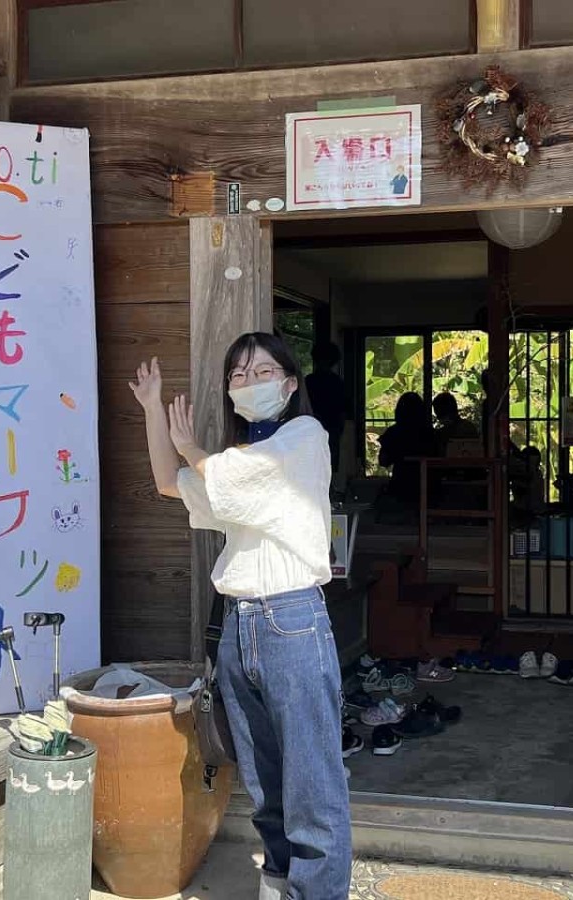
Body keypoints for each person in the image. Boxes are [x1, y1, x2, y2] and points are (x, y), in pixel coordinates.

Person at [129, 333, 351, 900]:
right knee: (264, 779)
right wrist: (153, 409)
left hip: (292, 618)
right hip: (240, 624)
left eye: (263, 372)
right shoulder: (230, 465)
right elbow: (167, 483)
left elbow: (222, 474)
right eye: (238, 376)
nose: (250, 384)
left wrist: (192, 448)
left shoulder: (304, 438)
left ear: (291, 382)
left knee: (312, 784)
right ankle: (280, 881)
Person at [377, 391, 432, 504]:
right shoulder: (430, 433)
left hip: (401, 486)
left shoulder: (393, 433)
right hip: (429, 487)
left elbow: (383, 461)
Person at [304, 341, 347, 474]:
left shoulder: (308, 381)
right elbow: (342, 411)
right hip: (327, 431)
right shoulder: (336, 382)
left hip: (314, 431)